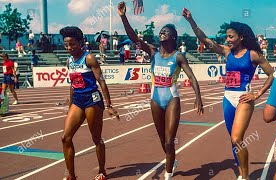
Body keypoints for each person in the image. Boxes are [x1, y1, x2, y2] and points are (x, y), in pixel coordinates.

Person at [183, 8, 274, 180]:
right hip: (227, 98)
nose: (227, 40)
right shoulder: (226, 52)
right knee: (233, 140)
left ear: (241, 37)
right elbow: (203, 38)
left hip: (243, 99)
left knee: (236, 138)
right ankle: (242, 172)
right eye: (227, 37)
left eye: (231, 37)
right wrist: (190, 20)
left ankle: (245, 177)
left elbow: (271, 74)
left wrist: (258, 94)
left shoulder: (253, 54)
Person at [118, 2, 204, 180]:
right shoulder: (153, 52)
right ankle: (172, 159)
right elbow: (134, 38)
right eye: (161, 31)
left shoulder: (178, 57)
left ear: (173, 37)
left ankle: (168, 172)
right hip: (155, 99)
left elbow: (192, 77)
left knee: (168, 140)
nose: (161, 33)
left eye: (165, 32)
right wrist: (123, 17)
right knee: (162, 141)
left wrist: (198, 98)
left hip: (172, 98)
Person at [59, 26, 120, 180]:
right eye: (66, 45)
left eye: (72, 44)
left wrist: (109, 105)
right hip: (78, 101)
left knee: (96, 138)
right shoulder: (69, 61)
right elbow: (72, 85)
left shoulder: (89, 58)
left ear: (80, 42)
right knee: (65, 137)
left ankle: (101, 170)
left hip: (92, 100)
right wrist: (70, 105)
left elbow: (101, 81)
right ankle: (71, 176)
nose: (69, 48)